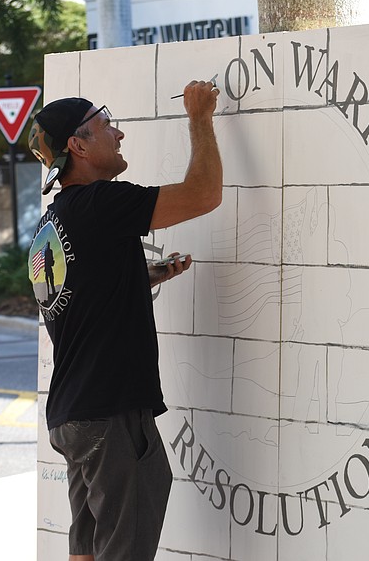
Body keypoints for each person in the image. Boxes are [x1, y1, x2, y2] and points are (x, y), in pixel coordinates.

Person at [26, 80, 222, 561]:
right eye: (105, 124)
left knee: (89, 548)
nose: (119, 134)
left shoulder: (51, 224)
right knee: (124, 547)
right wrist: (199, 116)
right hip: (110, 416)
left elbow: (80, 296)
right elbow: (203, 194)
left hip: (73, 416)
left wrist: (144, 275)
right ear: (78, 145)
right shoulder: (102, 205)